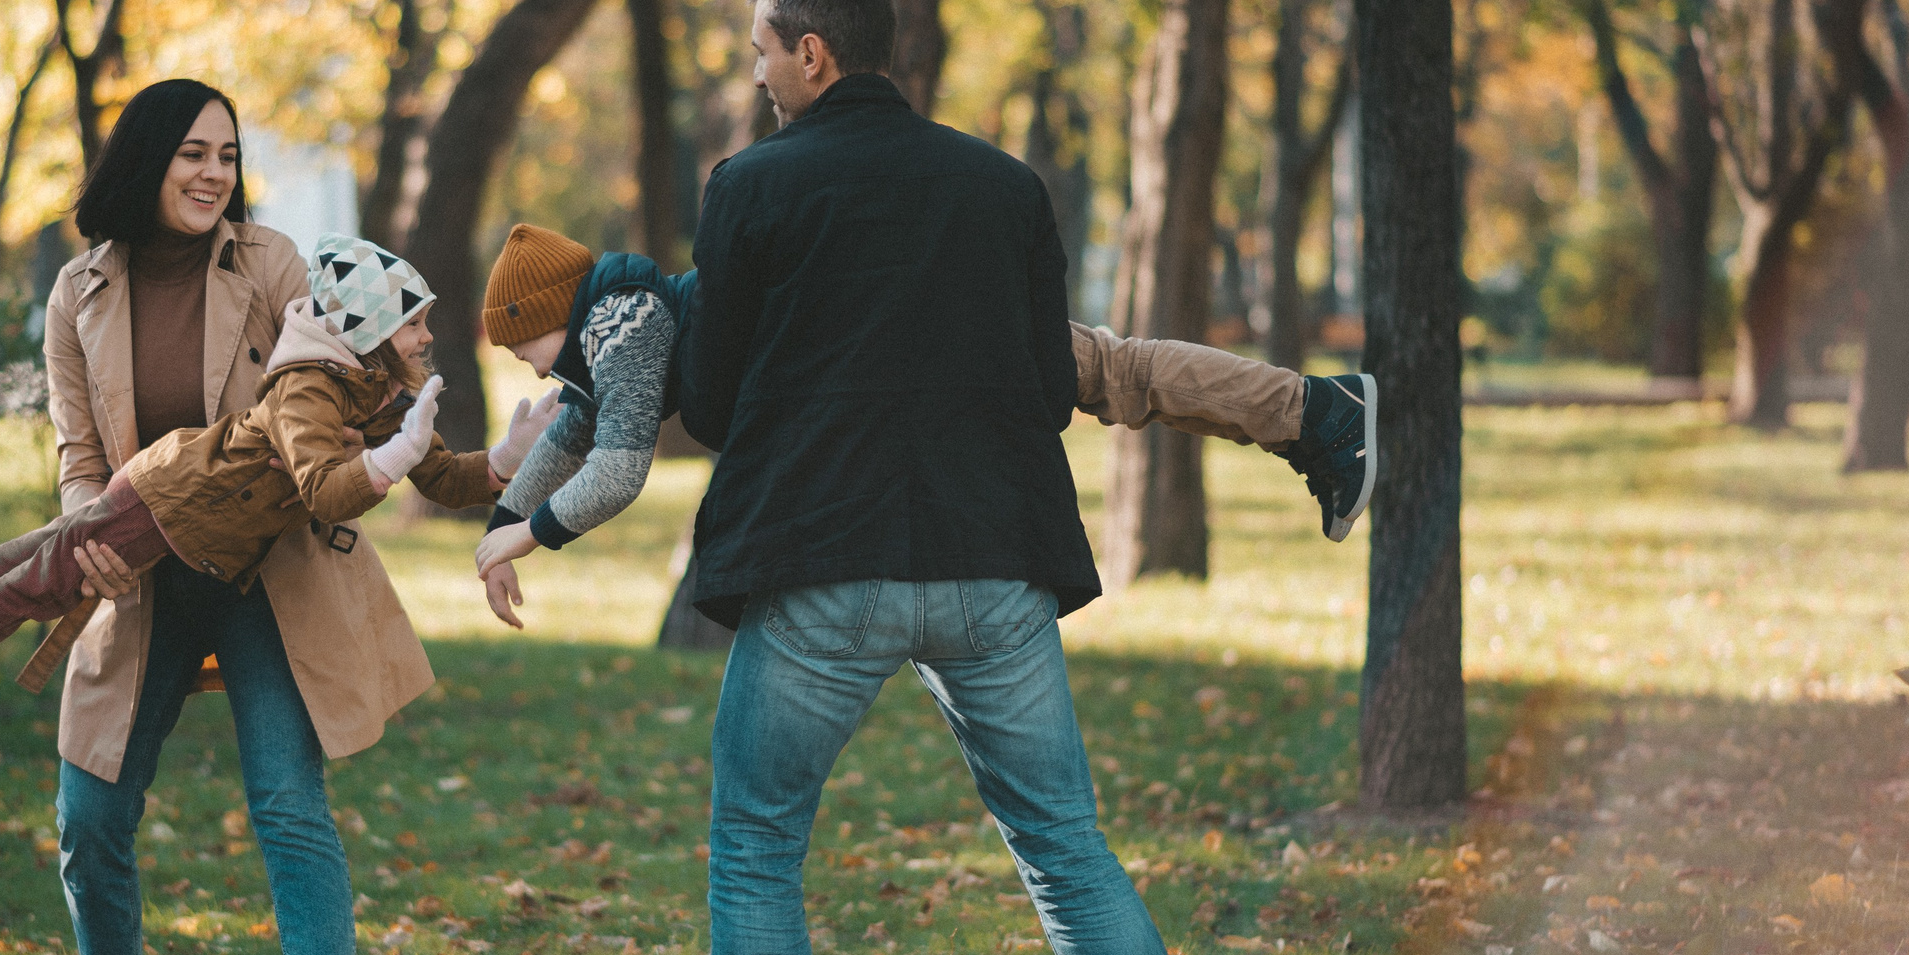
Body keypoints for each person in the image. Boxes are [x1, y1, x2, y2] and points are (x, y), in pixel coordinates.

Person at [663, 0, 1266, 955]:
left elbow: (715, 404)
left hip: (823, 568)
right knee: (1064, 843)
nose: (760, 71)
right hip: (993, 566)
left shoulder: (751, 187)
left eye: (765, 49)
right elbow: (1047, 387)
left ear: (813, 54)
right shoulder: (1003, 186)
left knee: (758, 845)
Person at [0, 81, 521, 955]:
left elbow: (335, 402)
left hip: (272, 571)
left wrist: (458, 457)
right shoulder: (77, 291)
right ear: (144, 162)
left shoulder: (273, 266)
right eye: (191, 154)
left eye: (227, 153)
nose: (213, 173)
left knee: (289, 805)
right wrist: (95, 542)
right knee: (91, 814)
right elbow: (80, 457)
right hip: (143, 566)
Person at [0, 233, 541, 770]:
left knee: (46, 549)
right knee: (51, 579)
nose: (425, 337)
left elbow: (444, 476)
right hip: (173, 501)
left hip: (179, 491)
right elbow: (325, 493)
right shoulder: (309, 386)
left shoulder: (372, 386)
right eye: (413, 323)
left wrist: (506, 458)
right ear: (367, 326)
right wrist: (389, 457)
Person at [467, 222, 1372, 628]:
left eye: (525, 348)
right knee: (1114, 373)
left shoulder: (619, 325)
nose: (533, 371)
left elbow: (620, 466)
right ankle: (1314, 416)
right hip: (906, 334)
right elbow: (577, 430)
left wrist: (526, 536)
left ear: (555, 312)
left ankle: (1316, 412)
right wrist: (506, 521)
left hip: (921, 338)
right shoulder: (620, 324)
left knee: (1114, 374)